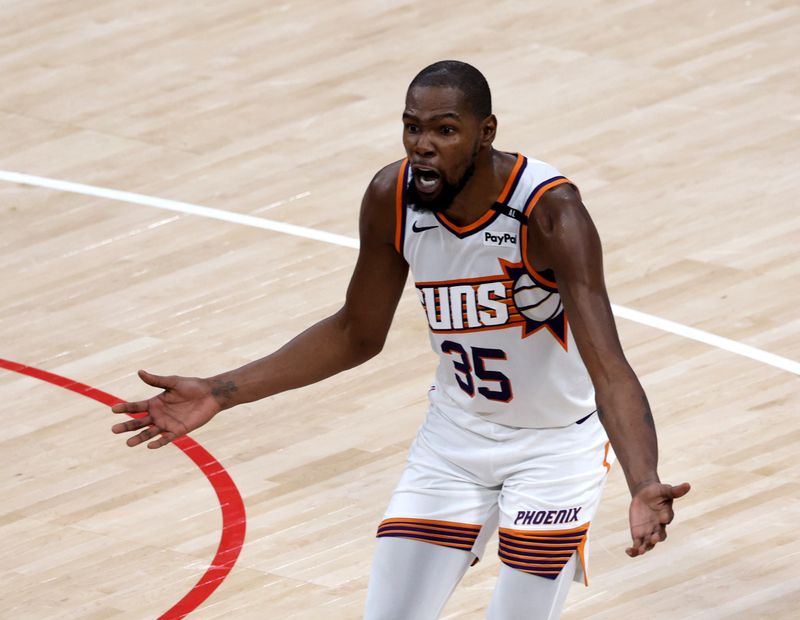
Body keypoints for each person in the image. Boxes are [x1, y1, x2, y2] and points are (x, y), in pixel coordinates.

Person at [112, 60, 690, 619]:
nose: (423, 144)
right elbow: (354, 334)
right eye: (413, 126)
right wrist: (220, 391)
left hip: (556, 449)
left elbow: (609, 368)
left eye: (445, 129)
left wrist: (642, 483)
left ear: (485, 133)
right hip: (455, 439)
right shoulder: (392, 195)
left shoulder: (550, 214)